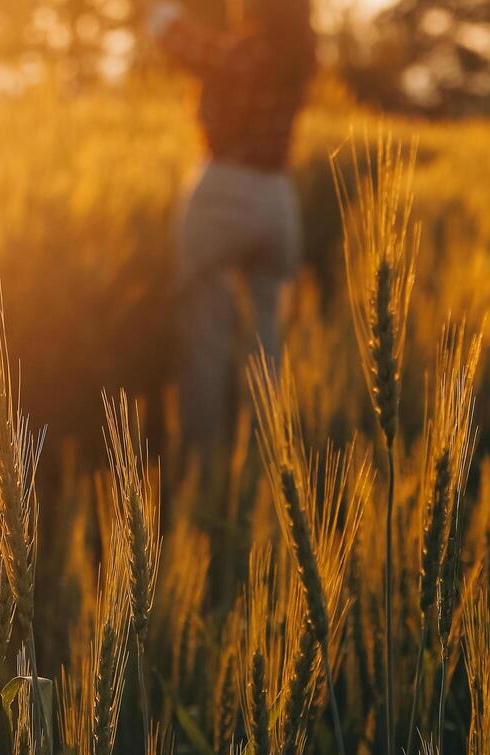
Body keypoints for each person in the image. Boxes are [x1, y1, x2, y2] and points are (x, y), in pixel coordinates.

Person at [148, 0, 317, 447]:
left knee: (204, 335)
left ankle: (202, 471)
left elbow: (189, 46)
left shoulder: (247, 54)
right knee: (266, 338)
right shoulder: (298, 57)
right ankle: (265, 462)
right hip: (277, 201)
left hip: (224, 192)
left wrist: (159, 11)